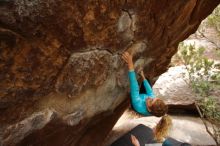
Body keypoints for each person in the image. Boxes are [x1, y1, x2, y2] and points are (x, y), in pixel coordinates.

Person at [122, 51, 168, 117]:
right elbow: (150, 92)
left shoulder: (138, 105)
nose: (150, 98)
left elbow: (134, 85)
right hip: (143, 97)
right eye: (154, 98)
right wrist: (143, 76)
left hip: (136, 101)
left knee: (134, 89)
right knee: (147, 81)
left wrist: (130, 62)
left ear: (149, 110)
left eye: (150, 101)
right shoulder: (152, 102)